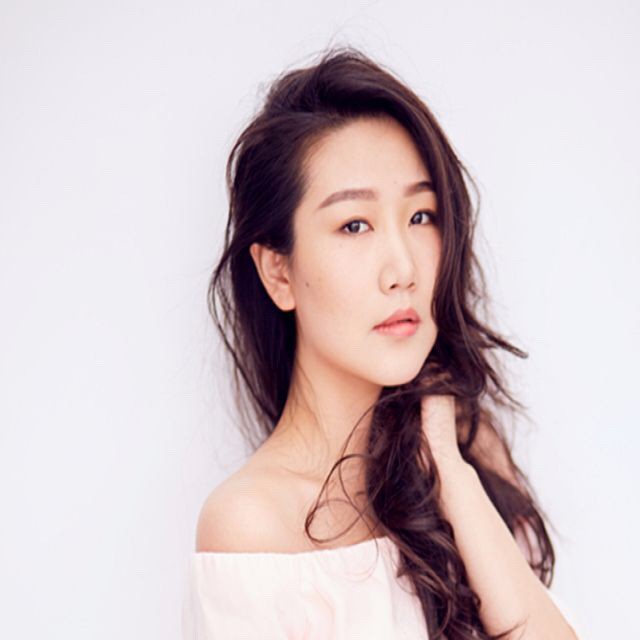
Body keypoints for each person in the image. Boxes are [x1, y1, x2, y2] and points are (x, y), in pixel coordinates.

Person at [181, 45, 581, 639]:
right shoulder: (251, 526)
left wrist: (452, 477)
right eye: (354, 225)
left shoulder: (469, 453)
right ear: (278, 273)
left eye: (421, 217)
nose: (403, 270)